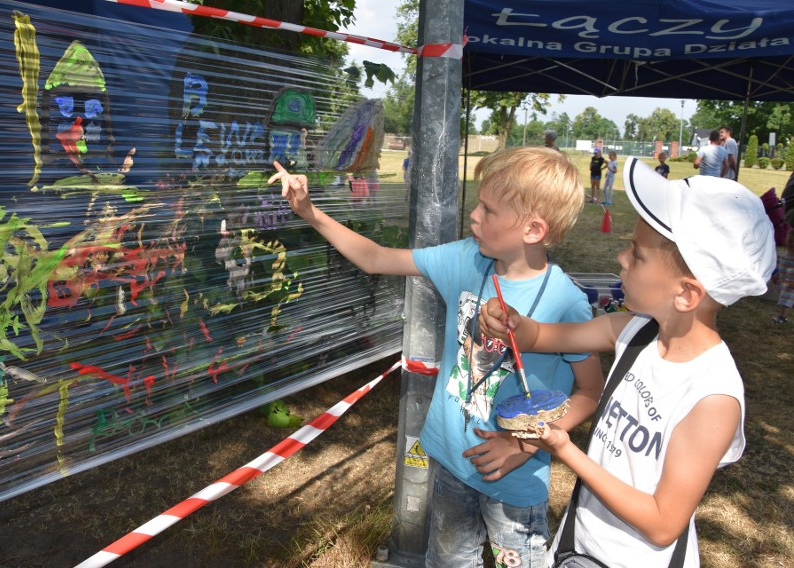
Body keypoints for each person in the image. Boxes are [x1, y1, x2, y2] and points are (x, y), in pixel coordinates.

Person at [269, 147, 604, 568]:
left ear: (534, 229)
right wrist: (309, 212)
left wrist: (522, 443)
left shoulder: (566, 303)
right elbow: (375, 258)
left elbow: (591, 391)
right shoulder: (466, 258)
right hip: (451, 462)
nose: (474, 216)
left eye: (488, 208)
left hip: (514, 484)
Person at [478, 157, 776, 567]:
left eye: (636, 255)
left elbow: (662, 523)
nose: (620, 257)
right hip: (581, 541)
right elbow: (542, 336)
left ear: (687, 294)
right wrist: (511, 321)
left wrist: (565, 449)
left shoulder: (712, 398)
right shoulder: (632, 331)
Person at [772, 228, 794, 324]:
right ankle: (782, 316)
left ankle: (782, 317)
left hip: (791, 284)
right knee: (784, 299)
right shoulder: (785, 255)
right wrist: (777, 275)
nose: (792, 244)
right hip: (785, 283)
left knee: (785, 300)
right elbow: (782, 268)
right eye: (790, 241)